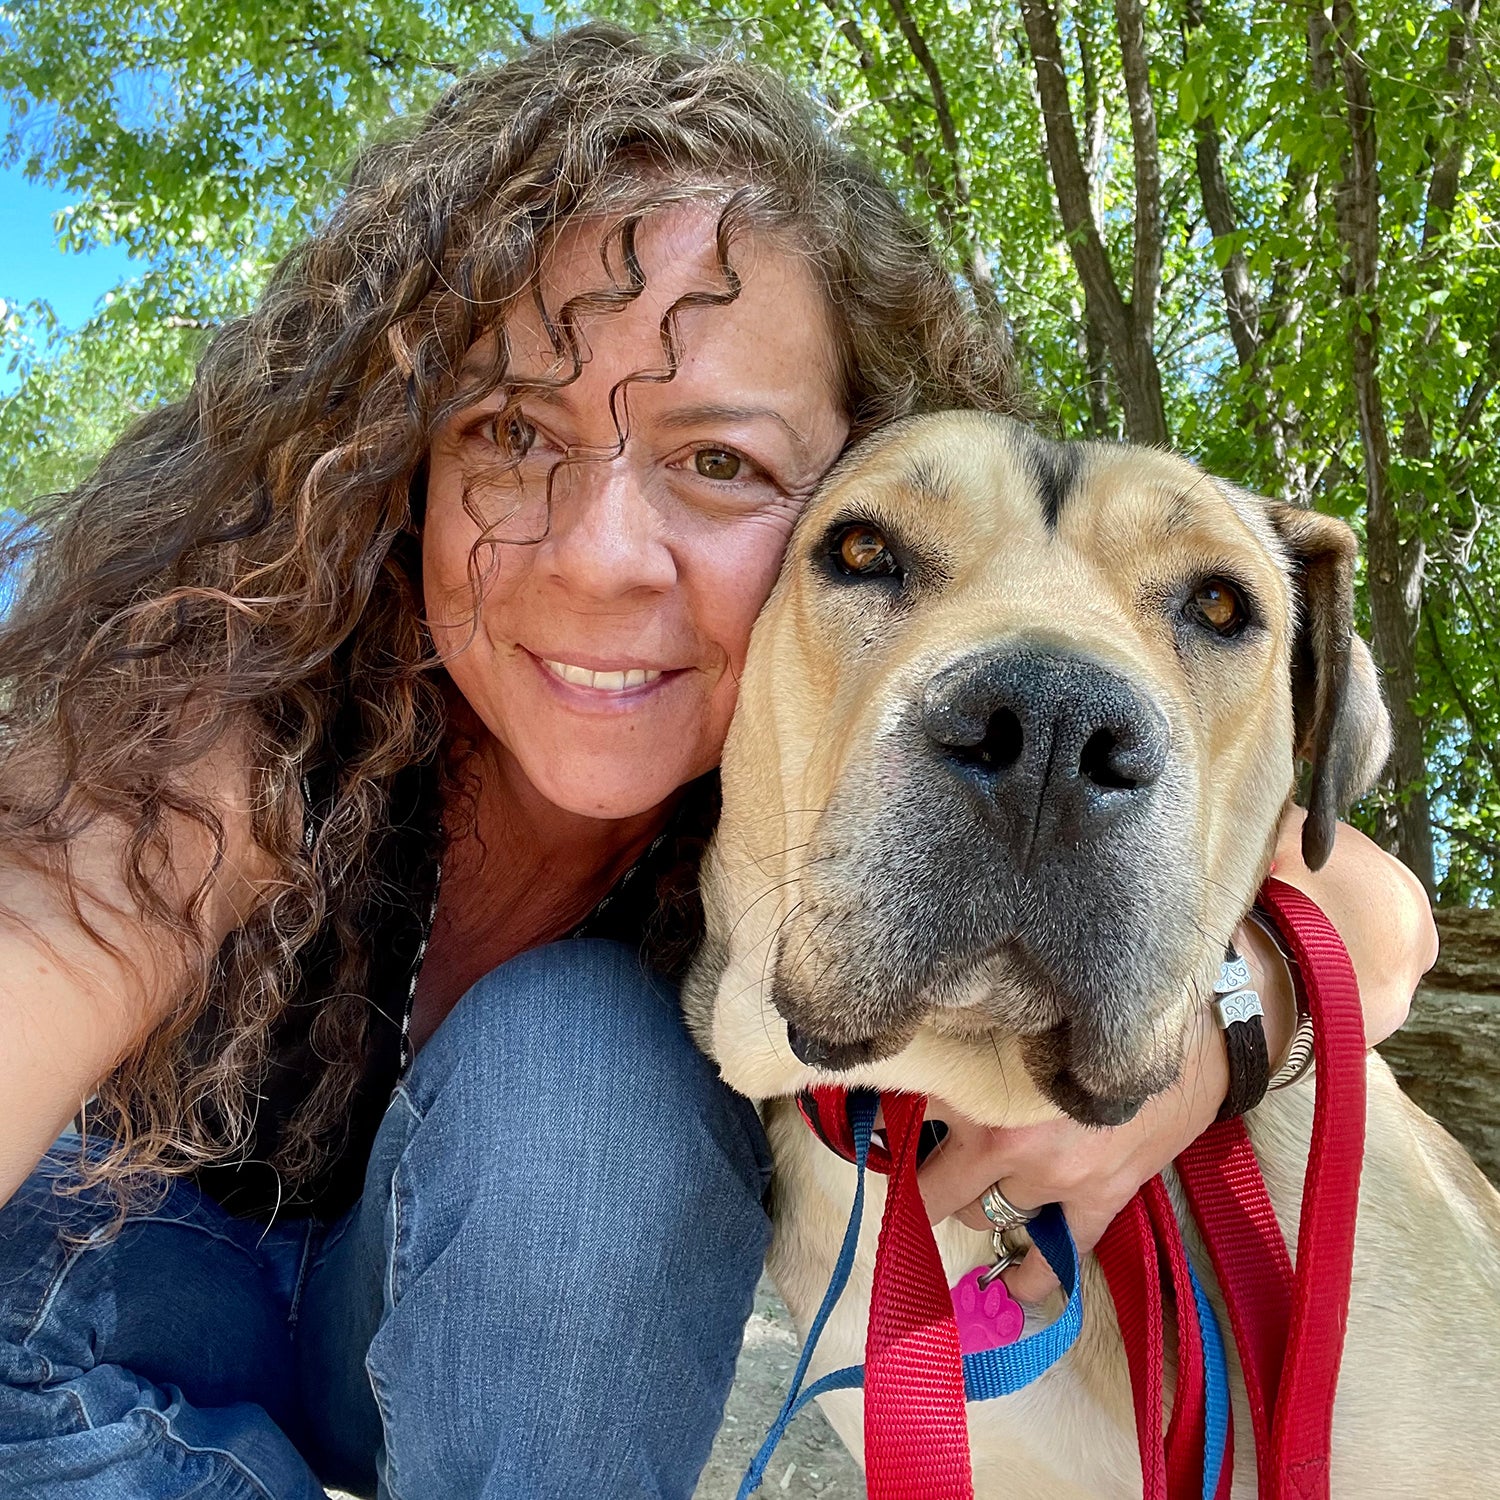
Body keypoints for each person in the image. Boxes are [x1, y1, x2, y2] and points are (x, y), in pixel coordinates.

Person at [0, 23, 1435, 1500]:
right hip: (79, 1337)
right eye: (509, 430)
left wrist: (1226, 1031)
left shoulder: (838, 751)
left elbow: (1376, 913)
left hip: (436, 1353)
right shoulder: (229, 696)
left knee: (589, 1072)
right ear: (395, 458)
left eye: (722, 464)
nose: (603, 556)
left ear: (850, 504)